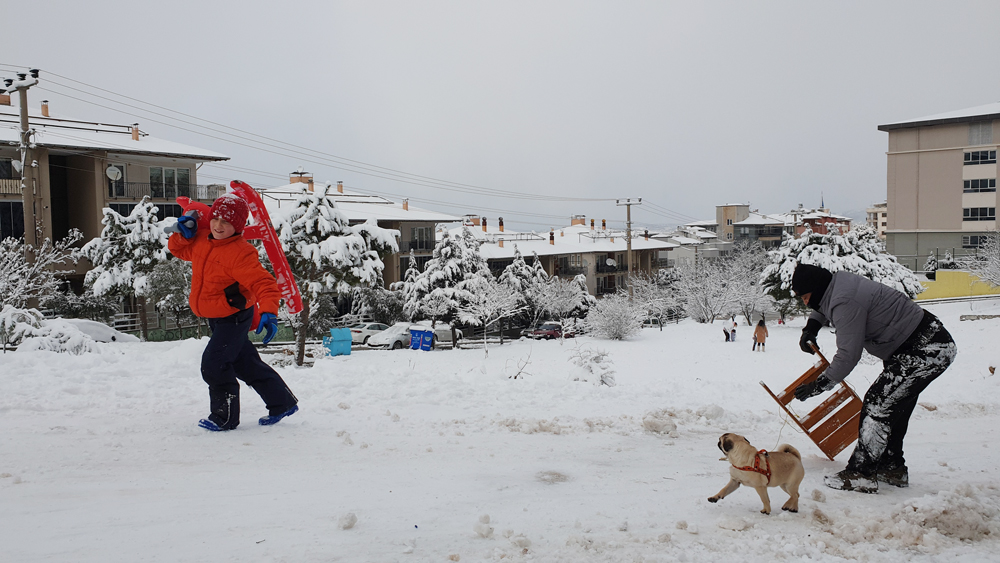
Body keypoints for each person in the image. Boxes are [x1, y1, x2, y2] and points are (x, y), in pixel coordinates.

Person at [790, 263, 956, 493]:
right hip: (915, 343)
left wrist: (819, 385)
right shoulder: (836, 283)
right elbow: (823, 303)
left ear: (816, 289)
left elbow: (849, 354)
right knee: (893, 407)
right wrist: (812, 327)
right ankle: (892, 467)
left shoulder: (844, 301)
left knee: (878, 403)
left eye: (806, 297)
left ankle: (861, 473)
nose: (805, 302)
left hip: (925, 347)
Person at [168, 194, 299, 431]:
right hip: (216, 316)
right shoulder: (201, 240)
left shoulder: (241, 253)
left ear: (238, 226)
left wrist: (269, 311)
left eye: (226, 222)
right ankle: (282, 403)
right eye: (215, 218)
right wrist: (181, 235)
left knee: (214, 364)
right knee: (244, 363)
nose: (218, 225)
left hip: (234, 317)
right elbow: (178, 251)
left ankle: (224, 417)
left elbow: (264, 284)